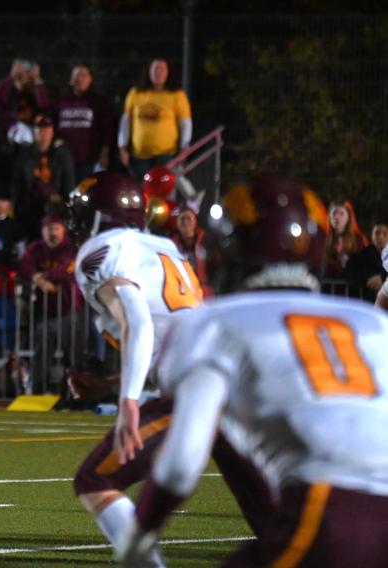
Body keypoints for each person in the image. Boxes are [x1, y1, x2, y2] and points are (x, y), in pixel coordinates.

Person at [118, 176, 388, 568]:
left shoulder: (216, 323)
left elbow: (180, 464)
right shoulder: (370, 322)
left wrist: (138, 538)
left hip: (333, 513)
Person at [67, 172, 273, 566]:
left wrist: (127, 401)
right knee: (275, 525)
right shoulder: (166, 247)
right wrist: (110, 386)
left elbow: (138, 322)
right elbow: (171, 333)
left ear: (94, 216)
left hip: (199, 389)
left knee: (95, 479)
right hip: (233, 387)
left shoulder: (102, 250)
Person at [17, 213, 83, 394]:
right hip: (44, 311)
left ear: (63, 230)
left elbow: (68, 270)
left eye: (55, 228)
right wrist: (37, 278)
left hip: (69, 311)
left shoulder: (72, 248)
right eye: (48, 229)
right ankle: (40, 390)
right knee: (42, 353)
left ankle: (74, 392)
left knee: (73, 355)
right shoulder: (36, 248)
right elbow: (24, 265)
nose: (52, 233)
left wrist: (42, 277)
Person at [118, 59, 192, 181]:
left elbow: (186, 124)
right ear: (149, 72)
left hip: (166, 155)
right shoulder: (135, 93)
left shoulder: (177, 95)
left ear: (168, 73)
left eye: (162, 69)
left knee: (162, 193)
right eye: (155, 69)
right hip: (139, 156)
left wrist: (184, 147)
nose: (159, 72)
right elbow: (125, 122)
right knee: (142, 192)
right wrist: (122, 146)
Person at [13, 114, 75, 239]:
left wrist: (66, 204)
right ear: (33, 132)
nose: (43, 132)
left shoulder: (62, 153)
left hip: (55, 205)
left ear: (52, 131)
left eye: (47, 128)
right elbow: (17, 182)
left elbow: (69, 183)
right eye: (39, 128)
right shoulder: (24, 154)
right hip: (30, 206)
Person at [56, 65, 113, 181]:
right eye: (77, 76)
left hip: (87, 161)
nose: (80, 79)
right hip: (62, 160)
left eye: (84, 75)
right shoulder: (61, 101)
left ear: (90, 79)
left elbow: (107, 129)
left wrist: (105, 152)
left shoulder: (98, 102)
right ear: (71, 80)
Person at [0, 58, 50, 137]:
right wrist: (12, 75)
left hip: (30, 131)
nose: (24, 72)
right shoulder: (7, 88)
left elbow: (43, 105)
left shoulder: (35, 91)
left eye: (27, 70)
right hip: (6, 131)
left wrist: (37, 79)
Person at [169, 203, 215, 298]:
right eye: (182, 219)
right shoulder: (171, 244)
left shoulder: (206, 241)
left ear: (195, 222)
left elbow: (217, 264)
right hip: (182, 291)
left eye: (189, 218)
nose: (185, 222)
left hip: (205, 291)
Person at [343, 222, 387, 301]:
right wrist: (367, 280)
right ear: (372, 235)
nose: (381, 237)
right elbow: (349, 273)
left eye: (385, 233)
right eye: (377, 233)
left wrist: (382, 278)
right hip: (367, 301)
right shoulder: (362, 255)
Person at [323, 199, 367, 278]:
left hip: (351, 287)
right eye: (334, 213)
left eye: (341, 214)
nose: (337, 217)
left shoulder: (358, 240)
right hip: (328, 286)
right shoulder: (323, 238)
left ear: (348, 217)